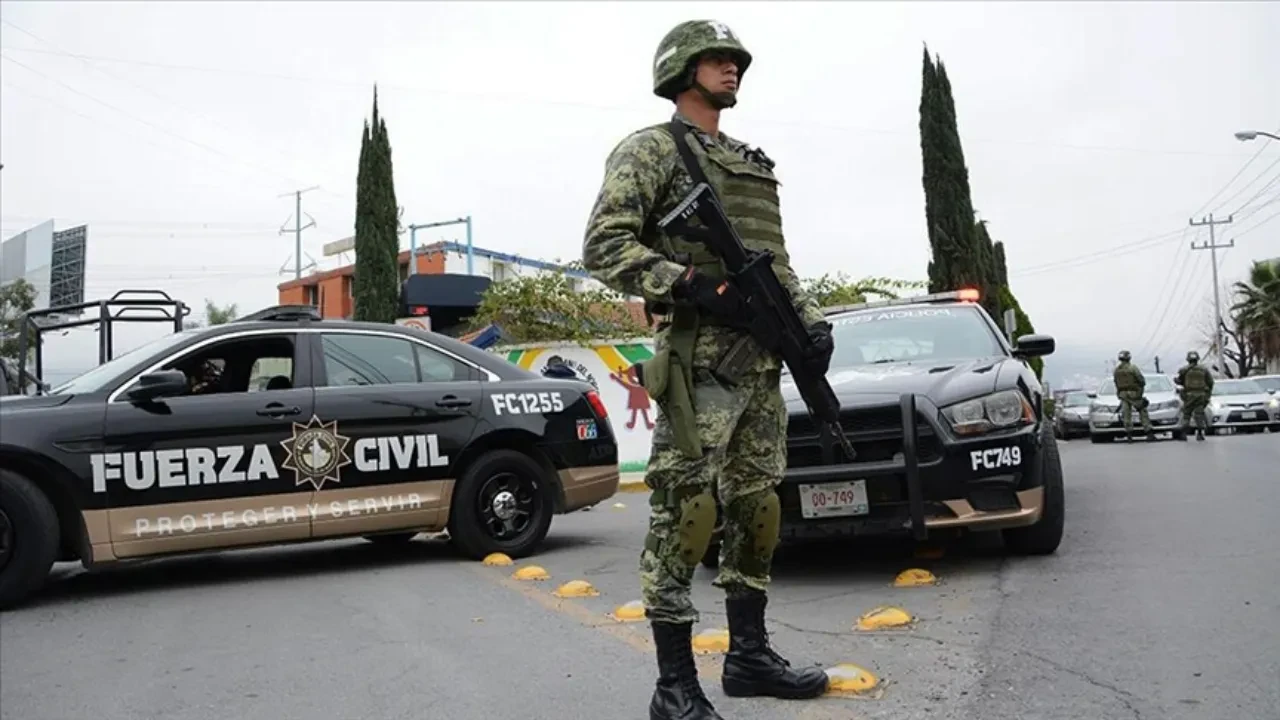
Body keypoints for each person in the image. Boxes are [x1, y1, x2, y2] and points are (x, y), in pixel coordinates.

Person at [581, 19, 834, 720]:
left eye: (735, 60)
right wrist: (683, 281)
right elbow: (602, 245)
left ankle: (749, 657)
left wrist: (810, 325)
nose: (732, 69)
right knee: (685, 513)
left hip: (760, 363)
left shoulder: (751, 163)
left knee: (757, 505)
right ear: (682, 68)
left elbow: (775, 264)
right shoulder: (650, 150)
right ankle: (674, 687)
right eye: (718, 59)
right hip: (701, 363)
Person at [1112, 350, 1154, 442]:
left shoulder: (1116, 370)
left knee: (1126, 414)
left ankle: (1129, 435)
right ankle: (1149, 432)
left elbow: (1116, 382)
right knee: (1143, 411)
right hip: (1134, 394)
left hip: (1123, 394)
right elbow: (1141, 380)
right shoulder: (1133, 368)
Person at [1175, 350, 1214, 441]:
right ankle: (1200, 434)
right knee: (1199, 414)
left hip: (1189, 395)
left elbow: (1179, 381)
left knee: (1187, 414)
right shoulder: (1204, 370)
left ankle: (1184, 433)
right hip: (1201, 395)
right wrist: (1207, 394)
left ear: (1188, 359)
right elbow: (1211, 382)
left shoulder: (1184, 370)